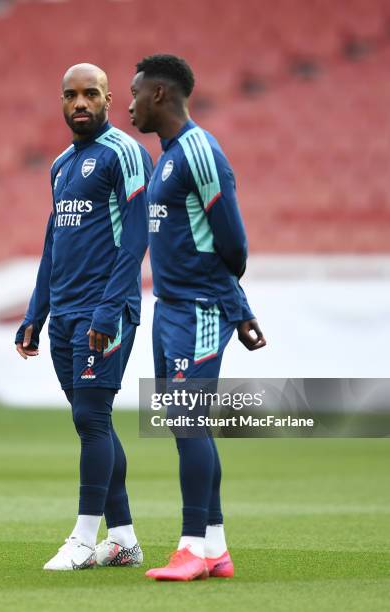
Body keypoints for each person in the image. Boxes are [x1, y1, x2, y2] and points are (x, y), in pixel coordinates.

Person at [129, 54, 266, 581]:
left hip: (200, 308)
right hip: (171, 308)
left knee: (189, 422)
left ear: (160, 94)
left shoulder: (200, 152)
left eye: (136, 92)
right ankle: (216, 546)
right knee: (187, 424)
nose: (131, 103)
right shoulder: (166, 156)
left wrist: (234, 306)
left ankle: (191, 548)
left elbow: (234, 245)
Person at [16, 63, 152, 571]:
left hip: (105, 310)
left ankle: (82, 537)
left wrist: (109, 308)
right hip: (65, 314)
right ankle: (122, 538)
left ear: (109, 99)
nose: (80, 103)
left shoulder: (125, 153)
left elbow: (136, 238)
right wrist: (35, 312)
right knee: (91, 421)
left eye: (90, 94)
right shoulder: (60, 166)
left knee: (90, 417)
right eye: (71, 95)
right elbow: (55, 242)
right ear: (61, 101)